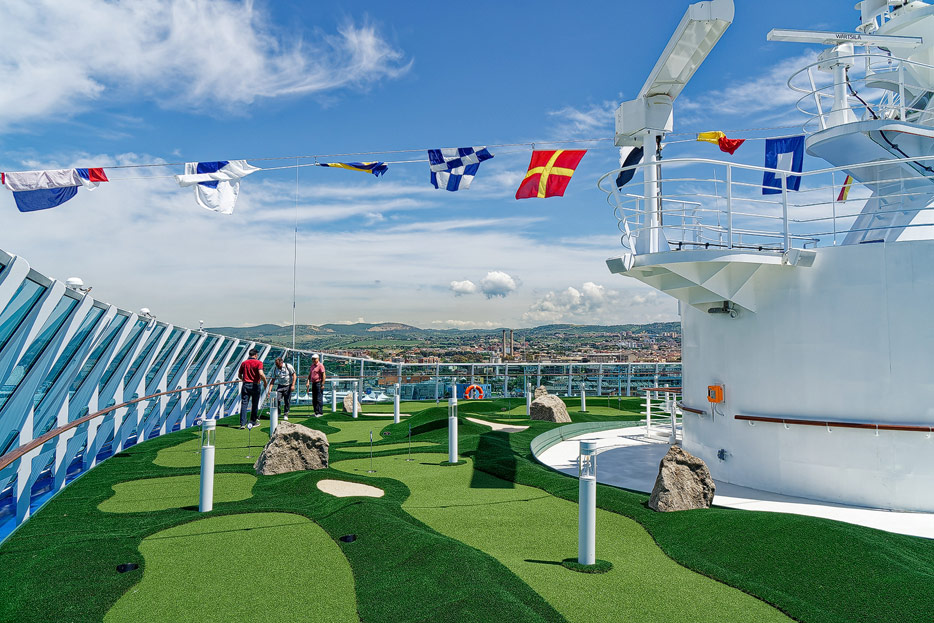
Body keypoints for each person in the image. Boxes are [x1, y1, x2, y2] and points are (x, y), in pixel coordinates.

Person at [238, 349, 267, 429]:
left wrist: (244, 379)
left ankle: (242, 423)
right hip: (255, 385)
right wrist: (265, 382)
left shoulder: (244, 363)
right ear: (256, 355)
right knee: (254, 404)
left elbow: (239, 375)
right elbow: (261, 373)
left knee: (244, 404)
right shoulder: (259, 363)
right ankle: (252, 422)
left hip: (245, 385)